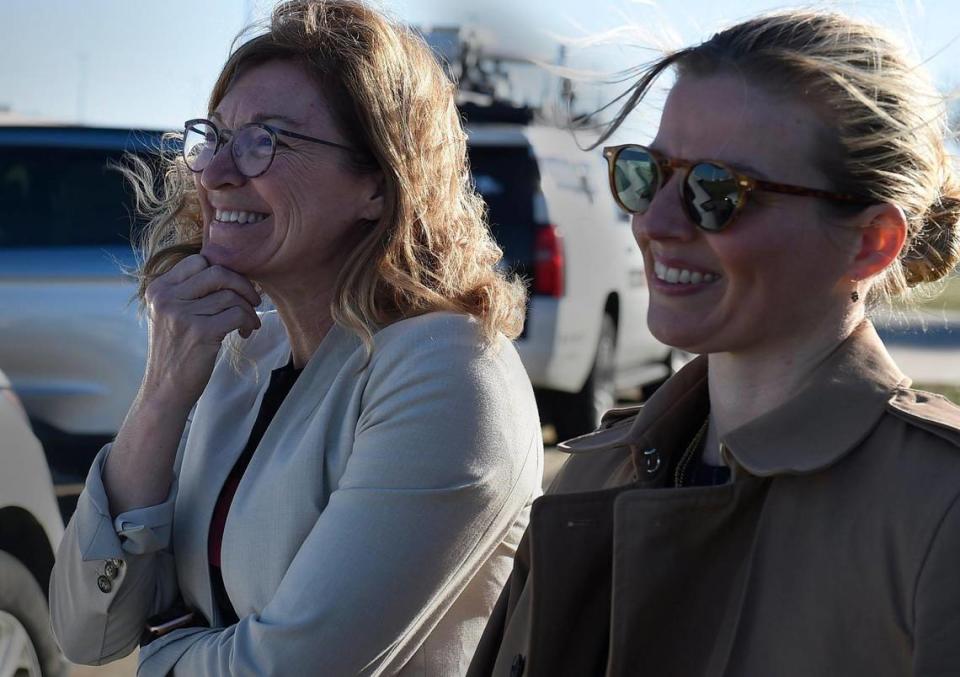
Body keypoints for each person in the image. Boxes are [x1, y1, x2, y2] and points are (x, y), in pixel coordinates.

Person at [49, 1, 543, 674]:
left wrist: (161, 649)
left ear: (379, 181)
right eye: (214, 137)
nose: (217, 171)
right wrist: (161, 395)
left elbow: (288, 667)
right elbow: (86, 631)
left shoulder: (451, 373)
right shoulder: (244, 357)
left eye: (265, 140)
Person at [468, 10, 960, 677]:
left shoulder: (935, 509)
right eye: (648, 172)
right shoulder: (593, 475)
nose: (655, 221)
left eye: (718, 192)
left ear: (871, 242)